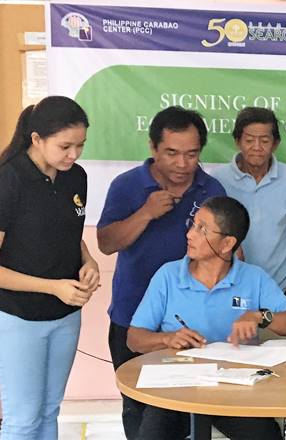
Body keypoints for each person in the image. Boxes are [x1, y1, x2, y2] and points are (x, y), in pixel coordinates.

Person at [0, 96, 100, 440]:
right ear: (37, 139)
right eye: (65, 146)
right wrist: (53, 285)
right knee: (24, 417)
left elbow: (70, 235)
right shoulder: (6, 185)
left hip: (64, 315)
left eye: (81, 145)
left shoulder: (76, 178)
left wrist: (88, 261)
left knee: (48, 411)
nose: (74, 155)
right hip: (14, 317)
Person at [127, 196, 286, 440]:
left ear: (227, 244)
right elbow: (134, 338)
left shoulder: (253, 278)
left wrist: (259, 317)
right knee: (152, 434)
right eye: (193, 225)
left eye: (202, 229)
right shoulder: (168, 276)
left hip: (235, 389)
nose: (190, 235)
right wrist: (167, 339)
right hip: (176, 387)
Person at [96, 106, 226, 438]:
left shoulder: (211, 190)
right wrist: (145, 213)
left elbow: (224, 254)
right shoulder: (126, 186)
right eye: (172, 153)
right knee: (137, 408)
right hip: (133, 315)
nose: (183, 164)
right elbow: (107, 243)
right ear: (153, 148)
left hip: (191, 323)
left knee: (188, 410)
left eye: (192, 154)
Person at [211, 107, 286, 300]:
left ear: (275, 143)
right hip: (231, 283)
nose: (257, 147)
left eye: (265, 140)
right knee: (239, 330)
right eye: (249, 140)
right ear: (237, 142)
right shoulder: (219, 180)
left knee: (283, 329)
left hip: (281, 284)